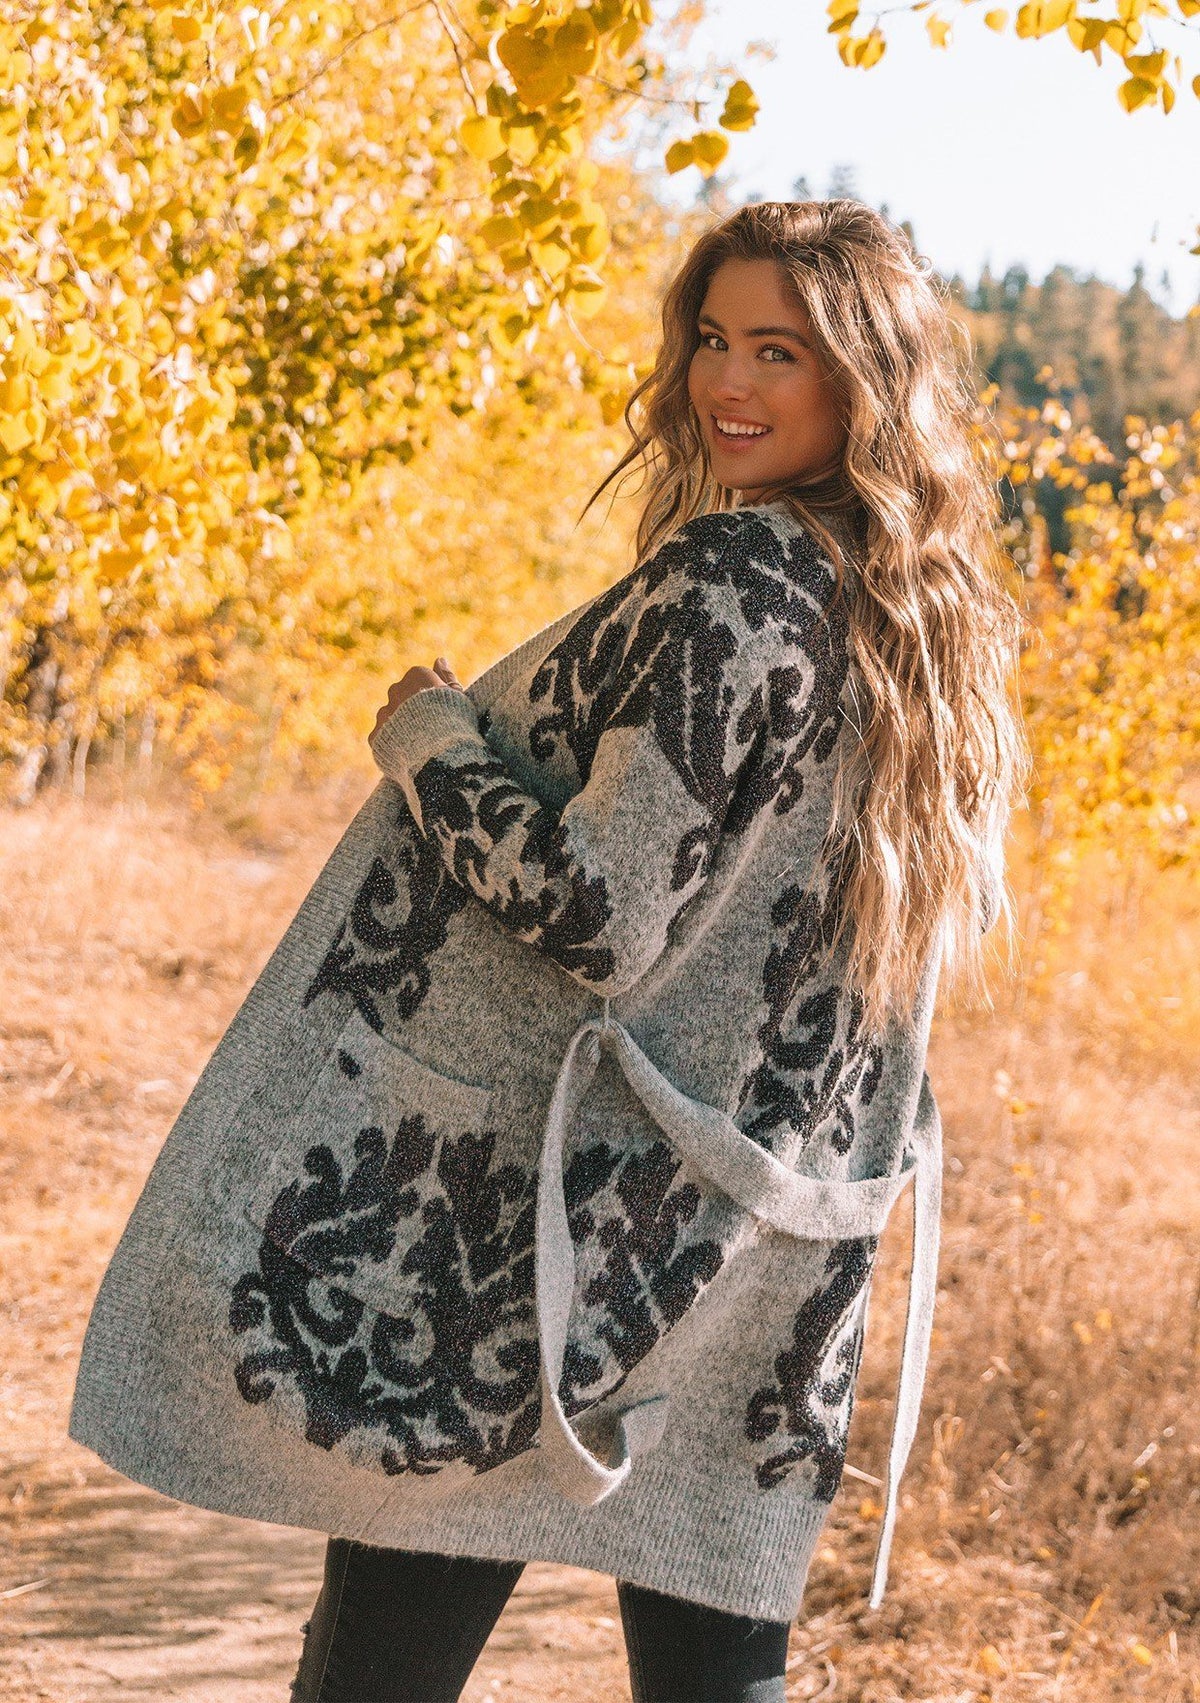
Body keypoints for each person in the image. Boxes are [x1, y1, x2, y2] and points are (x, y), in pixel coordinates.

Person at [69, 199, 1025, 1703]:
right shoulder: (915, 615)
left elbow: (600, 913)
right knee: (712, 1665)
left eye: (780, 351)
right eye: (713, 338)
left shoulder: (738, 579)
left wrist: (429, 738)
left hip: (565, 1220)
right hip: (767, 1220)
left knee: (386, 1647)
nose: (728, 382)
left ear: (864, 377)